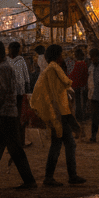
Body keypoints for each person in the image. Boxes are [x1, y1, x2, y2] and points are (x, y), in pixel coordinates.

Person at [0, 41, 36, 190]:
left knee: (5, 150)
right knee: (4, 150)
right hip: (6, 113)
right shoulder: (4, 67)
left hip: (4, 114)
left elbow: (4, 92)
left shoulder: (3, 69)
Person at [32, 44, 85, 187]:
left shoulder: (50, 70)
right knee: (60, 145)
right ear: (58, 56)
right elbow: (58, 96)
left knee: (64, 144)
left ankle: (65, 176)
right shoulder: (53, 70)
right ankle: (55, 177)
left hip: (58, 113)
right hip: (59, 114)